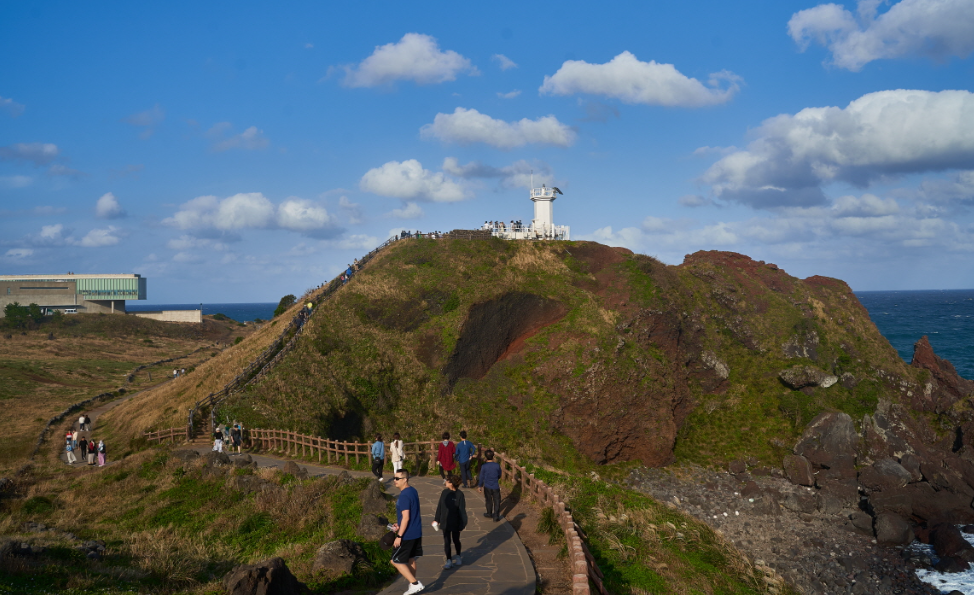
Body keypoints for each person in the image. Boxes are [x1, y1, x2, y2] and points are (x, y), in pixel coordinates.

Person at [391, 470, 424, 594]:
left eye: (397, 478)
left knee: (395, 560)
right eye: (394, 478)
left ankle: (415, 583)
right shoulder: (413, 491)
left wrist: (399, 536)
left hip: (407, 534)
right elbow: (409, 514)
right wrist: (399, 524)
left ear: (405, 479)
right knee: (411, 559)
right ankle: (412, 584)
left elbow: (406, 517)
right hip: (416, 531)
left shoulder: (404, 495)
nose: (395, 480)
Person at [434, 474, 468, 569]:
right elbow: (439, 506)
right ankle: (448, 559)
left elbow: (462, 510)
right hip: (445, 521)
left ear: (452, 483)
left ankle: (458, 555)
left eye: (447, 480)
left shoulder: (460, 494)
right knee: (446, 541)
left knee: (456, 540)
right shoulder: (444, 492)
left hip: (456, 522)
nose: (445, 482)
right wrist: (437, 519)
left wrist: (463, 524)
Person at [478, 449, 502, 522]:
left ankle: (489, 513)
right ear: (493, 456)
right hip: (495, 486)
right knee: (497, 501)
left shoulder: (484, 466)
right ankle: (496, 516)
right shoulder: (497, 465)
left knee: (488, 500)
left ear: (485, 456)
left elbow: (481, 476)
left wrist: (480, 486)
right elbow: (499, 474)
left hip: (487, 486)